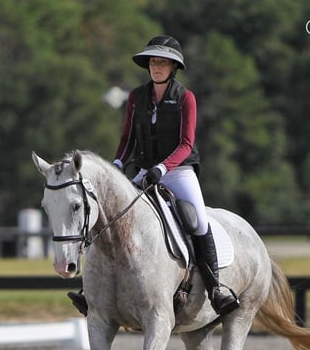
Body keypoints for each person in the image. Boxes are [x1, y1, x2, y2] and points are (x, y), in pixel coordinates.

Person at [69, 35, 240, 317]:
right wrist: (118, 163)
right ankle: (92, 292)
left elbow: (186, 143)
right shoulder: (137, 97)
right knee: (110, 216)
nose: (156, 67)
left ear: (173, 67)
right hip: (143, 171)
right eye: (152, 62)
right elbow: (127, 137)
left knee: (197, 220)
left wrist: (162, 168)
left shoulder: (186, 97)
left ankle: (216, 288)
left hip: (178, 171)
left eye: (162, 62)